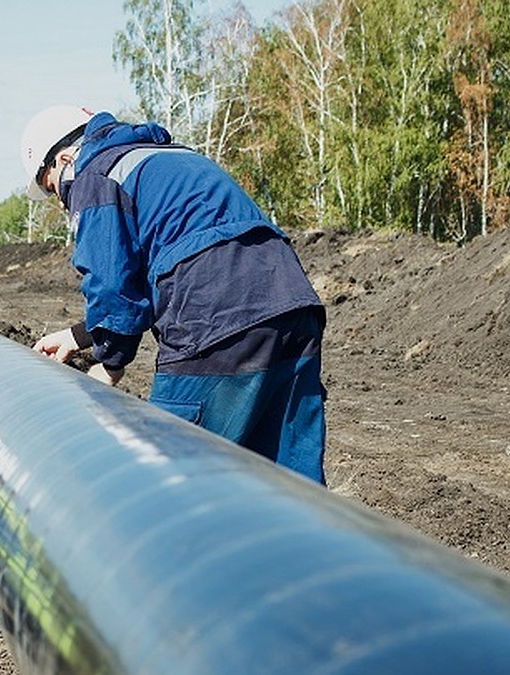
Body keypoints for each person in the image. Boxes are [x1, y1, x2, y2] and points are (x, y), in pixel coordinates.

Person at [21, 105, 327, 483]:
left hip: (214, 320)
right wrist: (79, 336)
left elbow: (112, 283)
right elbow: (169, 258)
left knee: (173, 484)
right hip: (292, 304)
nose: (63, 200)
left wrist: (108, 364)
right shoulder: (167, 156)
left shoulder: (95, 174)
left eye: (54, 189)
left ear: (66, 159)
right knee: (291, 488)